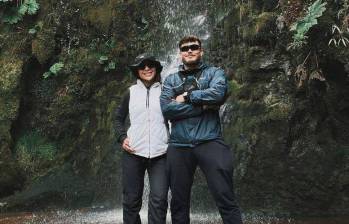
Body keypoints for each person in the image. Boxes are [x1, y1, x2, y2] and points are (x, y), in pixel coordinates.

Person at [160, 36, 243, 224]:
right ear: (180, 53)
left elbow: (218, 94)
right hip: (179, 145)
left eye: (194, 47)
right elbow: (167, 109)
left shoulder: (215, 73)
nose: (189, 50)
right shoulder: (171, 79)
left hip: (210, 141)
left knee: (225, 196)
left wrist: (187, 96)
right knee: (179, 203)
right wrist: (202, 106)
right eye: (185, 48)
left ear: (201, 51)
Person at [115, 53, 169, 224]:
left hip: (161, 154)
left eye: (150, 65)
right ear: (137, 71)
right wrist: (122, 137)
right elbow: (118, 118)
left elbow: (175, 118)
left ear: (156, 68)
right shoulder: (130, 93)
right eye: (142, 66)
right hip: (133, 152)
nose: (146, 68)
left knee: (159, 199)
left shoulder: (166, 91)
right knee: (131, 199)